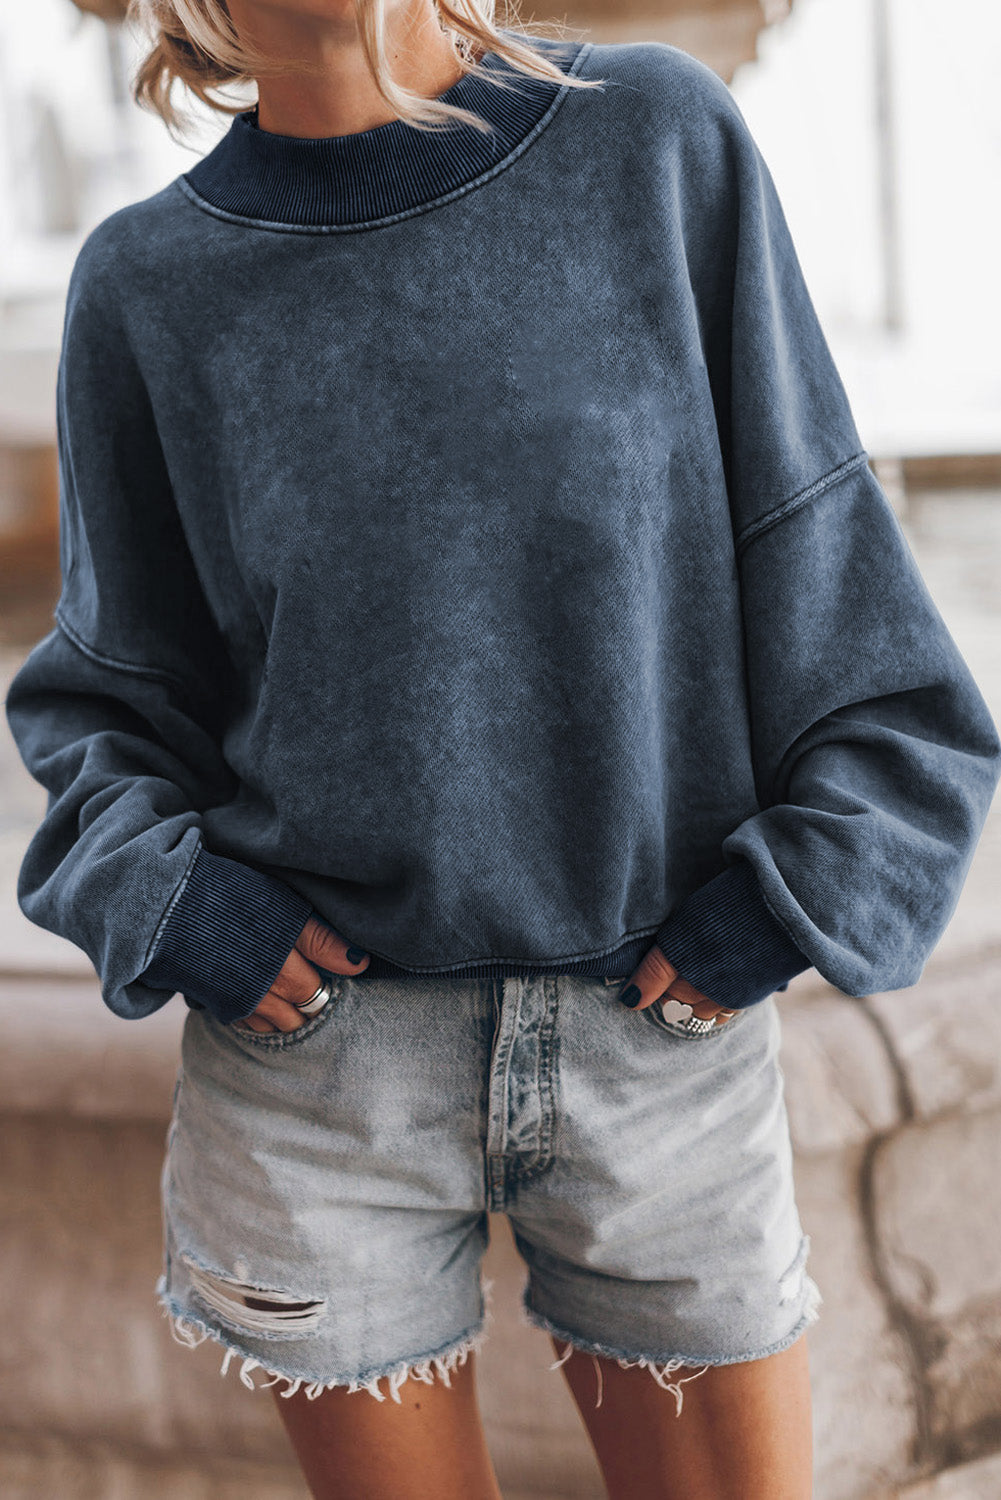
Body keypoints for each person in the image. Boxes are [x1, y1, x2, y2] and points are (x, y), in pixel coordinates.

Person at [6, 1, 1000, 1496]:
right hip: (317, 1085)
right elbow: (98, 707)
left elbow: (842, 599)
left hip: (656, 1043)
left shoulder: (657, 144)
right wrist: (183, 908)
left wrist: (782, 906)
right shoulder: (148, 288)